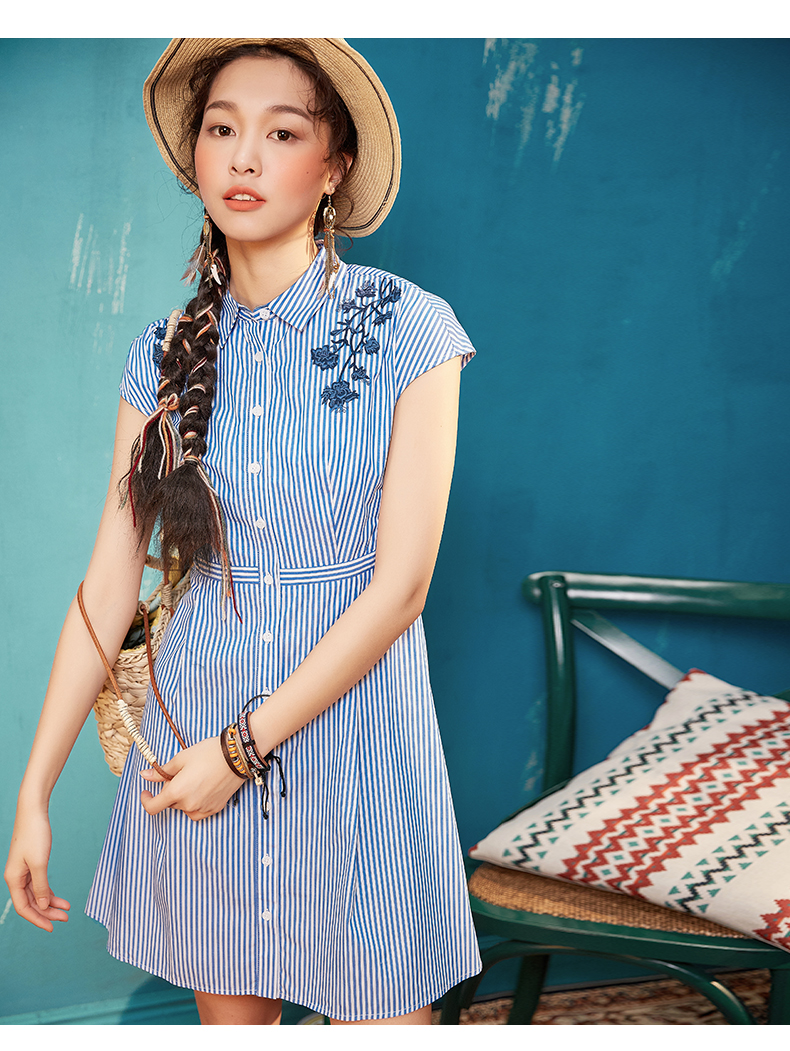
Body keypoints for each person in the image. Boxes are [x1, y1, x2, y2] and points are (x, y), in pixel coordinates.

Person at [4, 38, 481, 1026]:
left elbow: (401, 587)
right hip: (193, 734)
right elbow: (108, 586)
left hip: (355, 739)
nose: (245, 157)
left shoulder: (411, 328)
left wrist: (241, 749)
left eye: (283, 132)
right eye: (222, 128)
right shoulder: (162, 355)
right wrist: (34, 793)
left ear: (335, 165)